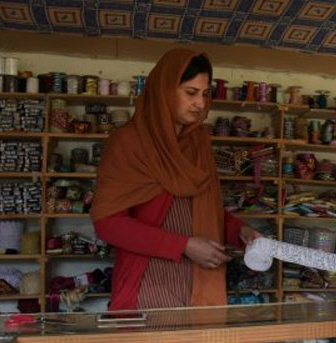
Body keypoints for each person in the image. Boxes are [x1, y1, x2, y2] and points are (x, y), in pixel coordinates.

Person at [91, 48, 261, 311]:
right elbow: (108, 223)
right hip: (149, 285)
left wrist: (238, 231)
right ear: (164, 91)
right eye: (190, 92)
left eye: (205, 94)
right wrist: (183, 245)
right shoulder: (129, 142)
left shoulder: (199, 142)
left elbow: (203, 208)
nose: (201, 104)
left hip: (202, 280)